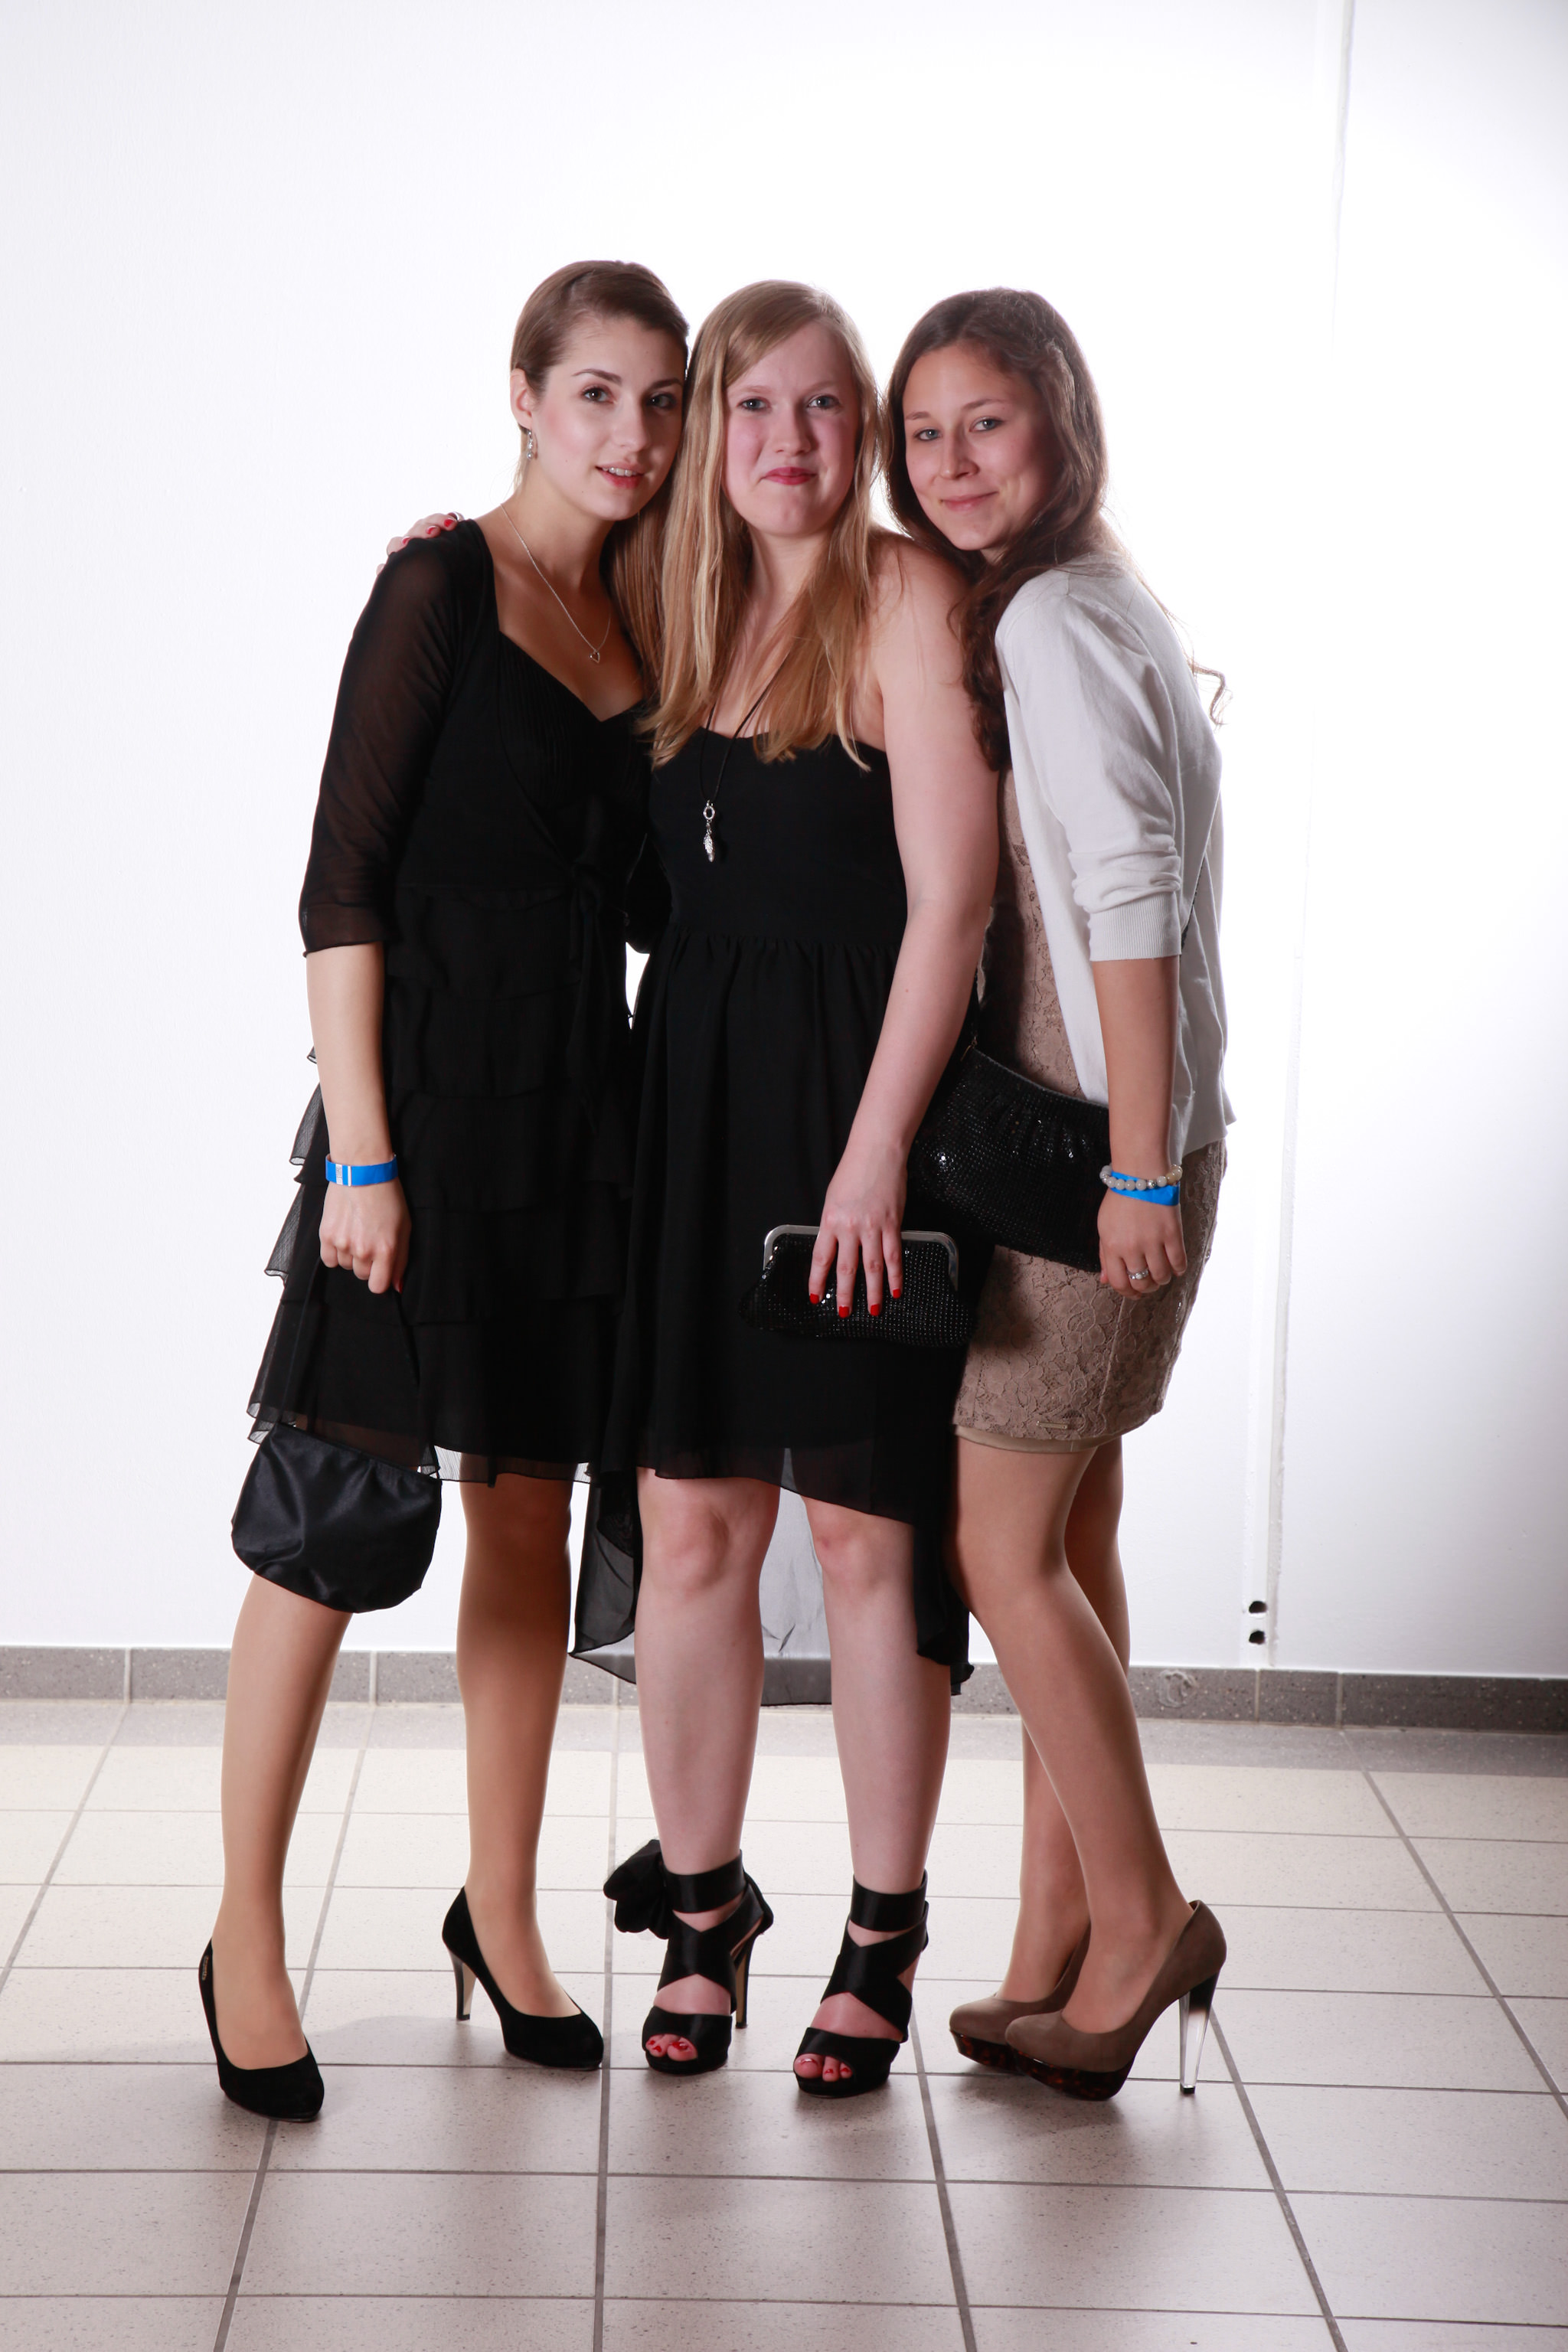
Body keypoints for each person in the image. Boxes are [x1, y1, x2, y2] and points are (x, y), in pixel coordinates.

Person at [202, 262, 687, 2118]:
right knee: (326, 1517)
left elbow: (649, 903)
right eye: (596, 394)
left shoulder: (649, 620)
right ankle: (245, 1936)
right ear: (522, 395)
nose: (630, 435)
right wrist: (365, 1148)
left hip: (577, 1122)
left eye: (660, 401)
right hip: (415, 1112)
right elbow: (340, 882)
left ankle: (501, 1910)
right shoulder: (437, 585)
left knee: (526, 1520)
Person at [573, 281, 997, 2096]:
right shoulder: (668, 600)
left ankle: (883, 1931)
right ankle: (701, 1913)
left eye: (824, 407)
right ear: (707, 431)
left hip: (857, 1108)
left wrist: (875, 1152)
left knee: (864, 1534)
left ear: (862, 427)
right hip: (695, 1105)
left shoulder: (907, 600)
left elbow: (954, 910)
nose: (788, 443)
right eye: (751, 407)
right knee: (691, 1529)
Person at [886, 288, 1230, 2099]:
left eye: (987, 423)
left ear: (1058, 425)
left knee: (1000, 1550)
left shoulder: (1052, 623)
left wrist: (1137, 1167)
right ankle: (1055, 1940)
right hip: (1110, 1150)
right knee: (1073, 1543)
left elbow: (1130, 900)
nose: (951, 462)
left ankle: (1145, 1920)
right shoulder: (1085, 594)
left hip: (1098, 1165)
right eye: (923, 431)